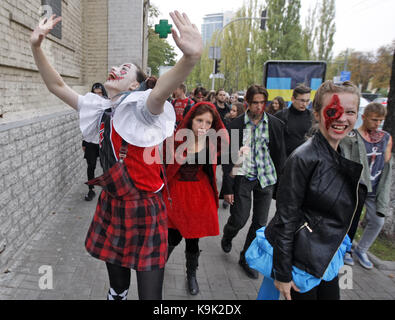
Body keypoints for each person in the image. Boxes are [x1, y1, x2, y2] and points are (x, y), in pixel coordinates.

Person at [30, 11, 203, 300]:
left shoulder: (144, 111)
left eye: (125, 68)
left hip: (146, 209)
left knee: (151, 298)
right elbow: (57, 86)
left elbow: (159, 92)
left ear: (135, 85)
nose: (115, 68)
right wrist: (36, 47)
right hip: (113, 205)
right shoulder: (99, 110)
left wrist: (189, 59)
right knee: (118, 290)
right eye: (115, 65)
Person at [248, 80, 367, 300]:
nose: (342, 118)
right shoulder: (303, 158)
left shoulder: (346, 150)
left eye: (350, 111)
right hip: (300, 265)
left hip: (327, 256)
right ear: (317, 113)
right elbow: (285, 219)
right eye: (333, 110)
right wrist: (282, 274)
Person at [221, 84, 286, 279]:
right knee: (240, 218)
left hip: (265, 179)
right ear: (247, 103)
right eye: (255, 103)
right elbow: (228, 158)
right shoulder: (236, 125)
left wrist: (281, 185)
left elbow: (279, 155)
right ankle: (228, 233)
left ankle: (246, 259)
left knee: (260, 224)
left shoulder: (275, 124)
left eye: (262, 103)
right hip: (243, 178)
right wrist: (227, 187)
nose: (259, 107)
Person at [163, 102, 228, 295]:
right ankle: (160, 261)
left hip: (199, 196)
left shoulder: (213, 143)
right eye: (200, 120)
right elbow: (164, 169)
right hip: (176, 195)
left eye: (208, 122)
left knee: (193, 239)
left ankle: (191, 274)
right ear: (191, 119)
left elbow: (225, 158)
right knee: (172, 235)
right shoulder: (174, 140)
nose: (203, 126)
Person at [340, 102, 392, 269]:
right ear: (364, 117)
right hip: (358, 186)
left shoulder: (386, 138)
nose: (377, 124)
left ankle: (361, 250)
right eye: (374, 120)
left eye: (381, 120)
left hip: (375, 187)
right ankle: (346, 249)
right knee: (351, 220)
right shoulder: (353, 137)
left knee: (378, 221)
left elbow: (387, 164)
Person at [82, 83, 108, 201]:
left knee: (105, 166)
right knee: (91, 165)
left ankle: (107, 190)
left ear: (103, 93)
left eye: (100, 93)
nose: (98, 95)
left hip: (103, 141)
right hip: (90, 141)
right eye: (95, 93)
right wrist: (84, 142)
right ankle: (91, 190)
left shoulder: (108, 104)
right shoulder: (87, 106)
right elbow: (84, 123)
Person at [274, 85, 312, 157]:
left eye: (307, 101)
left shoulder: (312, 117)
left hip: (306, 161)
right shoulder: (280, 116)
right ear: (293, 99)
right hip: (285, 160)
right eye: (302, 100)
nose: (304, 104)